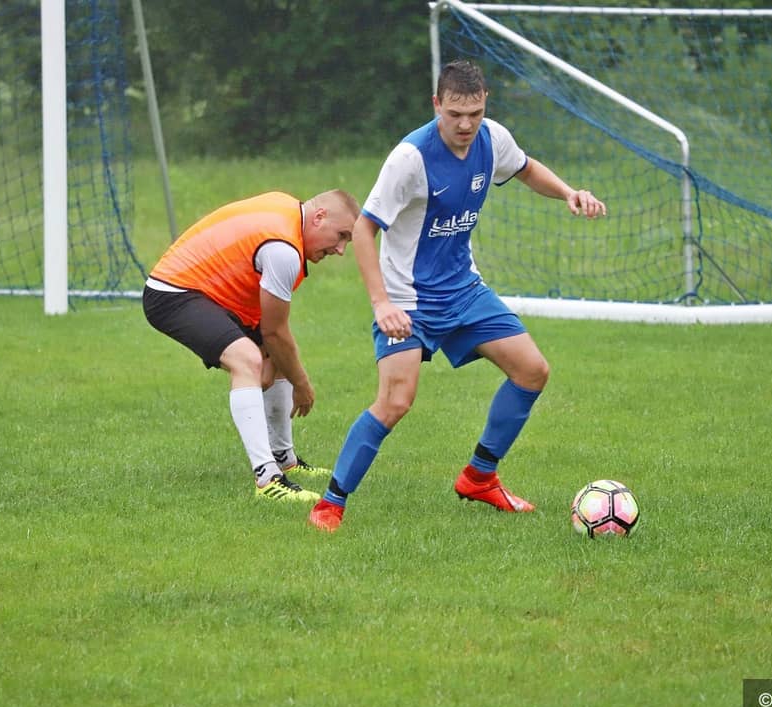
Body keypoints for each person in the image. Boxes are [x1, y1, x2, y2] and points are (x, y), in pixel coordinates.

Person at [309, 60, 607, 532]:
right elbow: (364, 229)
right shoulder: (410, 158)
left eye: (474, 113)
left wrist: (568, 192)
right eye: (454, 114)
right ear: (436, 105)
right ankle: (330, 504)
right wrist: (382, 304)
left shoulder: (493, 139)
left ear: (485, 103)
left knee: (532, 370)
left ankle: (479, 477)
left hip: (464, 290)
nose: (465, 125)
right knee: (395, 401)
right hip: (408, 300)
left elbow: (526, 169)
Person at [144, 189, 360, 502]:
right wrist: (302, 385)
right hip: (173, 293)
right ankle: (267, 478)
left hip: (213, 294)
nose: (340, 250)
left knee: (279, 357)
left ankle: (284, 458)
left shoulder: (289, 213)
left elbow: (275, 337)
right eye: (341, 236)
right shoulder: (283, 249)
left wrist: (277, 361)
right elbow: (274, 331)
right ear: (319, 217)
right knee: (248, 359)